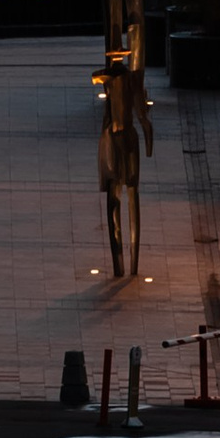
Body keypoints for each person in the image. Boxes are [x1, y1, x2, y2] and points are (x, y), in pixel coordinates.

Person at [97, 54, 154, 279]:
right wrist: (148, 142)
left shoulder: (111, 79)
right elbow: (143, 116)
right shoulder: (129, 79)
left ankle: (123, 261)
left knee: (121, 196)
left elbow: (141, 115)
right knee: (128, 194)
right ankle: (126, 261)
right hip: (125, 139)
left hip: (118, 138)